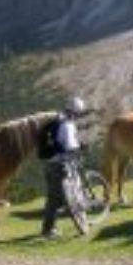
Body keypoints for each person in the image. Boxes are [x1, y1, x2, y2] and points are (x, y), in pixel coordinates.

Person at [40, 96, 88, 239]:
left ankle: (49, 228)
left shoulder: (58, 119)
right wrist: (81, 147)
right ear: (76, 112)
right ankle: (50, 230)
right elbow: (69, 146)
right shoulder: (67, 124)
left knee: (53, 198)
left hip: (48, 163)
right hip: (61, 164)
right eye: (79, 113)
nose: (79, 116)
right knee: (71, 193)